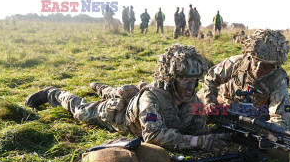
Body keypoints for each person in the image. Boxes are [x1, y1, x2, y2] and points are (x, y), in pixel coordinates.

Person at [25, 44, 228, 152]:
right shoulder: (152, 98)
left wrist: (214, 139)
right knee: (81, 111)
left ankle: (102, 87)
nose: (190, 86)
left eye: (194, 80)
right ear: (171, 79)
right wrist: (197, 142)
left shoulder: (194, 102)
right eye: (183, 80)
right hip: (117, 114)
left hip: (134, 100)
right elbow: (153, 136)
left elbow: (200, 131)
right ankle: (53, 93)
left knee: (119, 90)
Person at [200, 29, 290, 130]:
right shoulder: (236, 63)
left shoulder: (278, 79)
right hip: (223, 101)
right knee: (191, 111)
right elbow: (210, 78)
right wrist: (211, 102)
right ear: (250, 57)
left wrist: (269, 130)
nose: (258, 68)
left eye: (265, 65)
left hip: (254, 114)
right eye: (256, 62)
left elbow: (281, 119)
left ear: (274, 66)